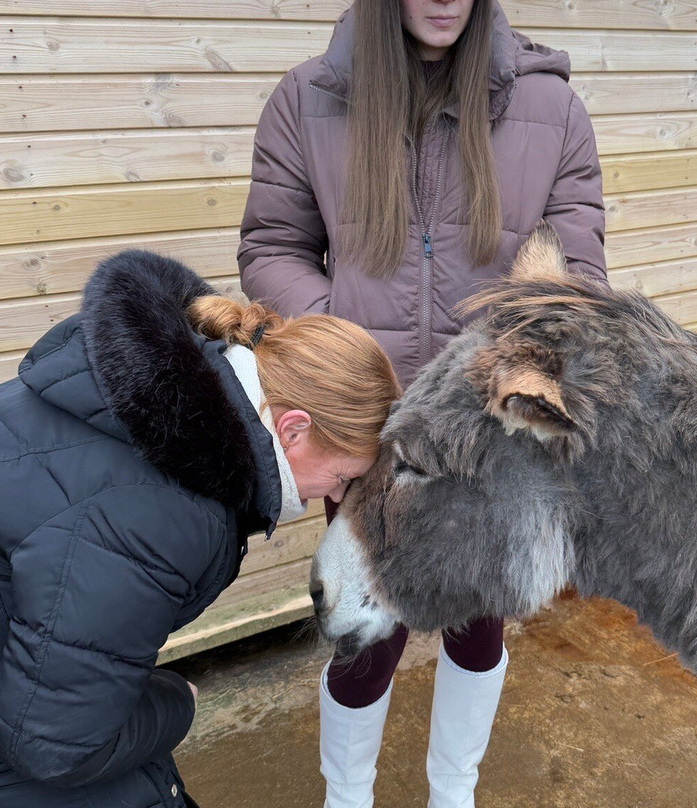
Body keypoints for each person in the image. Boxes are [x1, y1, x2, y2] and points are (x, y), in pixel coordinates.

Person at [238, 1, 607, 805]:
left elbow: (578, 276)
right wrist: (346, 355)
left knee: (478, 625)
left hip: (487, 442)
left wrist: (519, 380)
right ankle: (347, 797)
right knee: (365, 638)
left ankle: (453, 792)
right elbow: (273, 247)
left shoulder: (552, 109)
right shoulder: (308, 101)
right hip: (369, 434)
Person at [0, 250, 401, 808]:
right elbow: (53, 746)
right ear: (293, 430)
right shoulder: (171, 514)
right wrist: (175, 701)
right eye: (342, 477)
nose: (332, 497)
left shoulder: (161, 391)